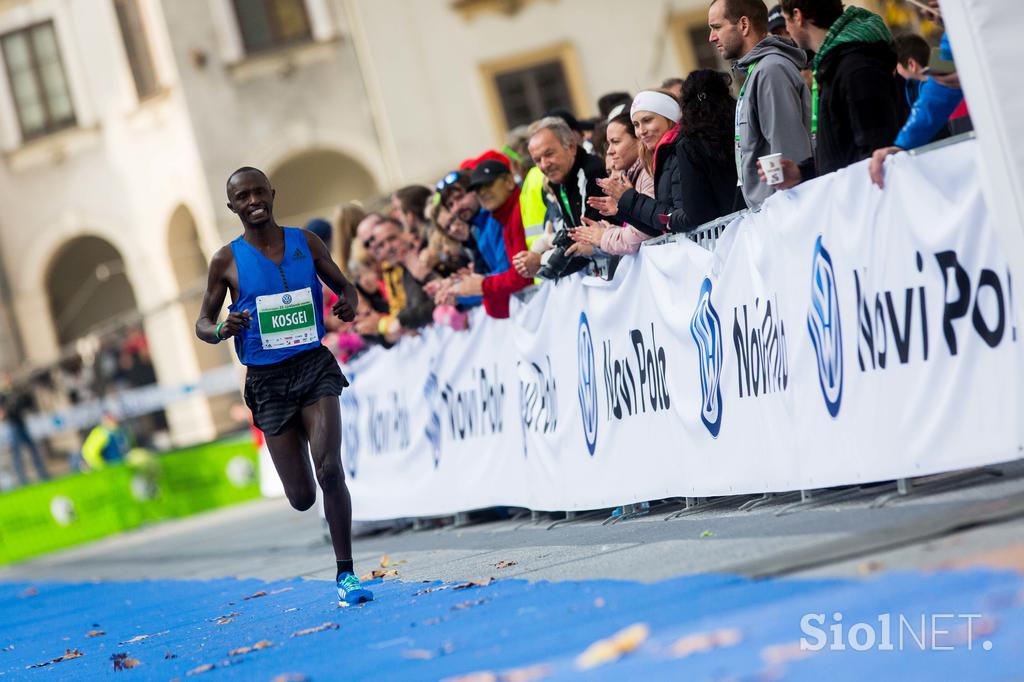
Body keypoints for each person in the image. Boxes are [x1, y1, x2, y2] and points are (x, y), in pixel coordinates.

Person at [195, 166, 372, 605]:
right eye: (243, 196)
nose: (253, 200)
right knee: (300, 497)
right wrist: (221, 328)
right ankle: (292, 436)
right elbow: (201, 322)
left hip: (313, 365)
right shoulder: (226, 259)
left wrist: (347, 302)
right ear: (231, 205)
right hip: (267, 381)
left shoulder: (305, 243)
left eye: (259, 192)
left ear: (272, 194)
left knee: (330, 468)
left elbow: (343, 286)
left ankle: (346, 574)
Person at [770, 1, 904, 187]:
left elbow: (875, 154)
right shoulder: (833, 64)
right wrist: (802, 172)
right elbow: (842, 149)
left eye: (786, 20)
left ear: (798, 16)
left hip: (868, 202)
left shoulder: (855, 68)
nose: (787, 29)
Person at [709, 0, 813, 209]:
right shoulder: (758, 71)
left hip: (786, 209)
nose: (711, 37)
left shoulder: (770, 71)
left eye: (717, 27)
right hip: (771, 213)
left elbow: (789, 156)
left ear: (744, 25)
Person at [515, 116, 607, 280]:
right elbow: (572, 235)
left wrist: (541, 261)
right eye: (537, 160)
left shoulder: (591, 173)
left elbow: (585, 241)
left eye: (549, 154)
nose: (544, 165)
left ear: (571, 147)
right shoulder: (558, 179)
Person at [441, 159, 531, 318]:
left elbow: (517, 274)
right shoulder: (482, 227)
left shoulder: (498, 218)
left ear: (508, 181)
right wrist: (463, 287)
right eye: (450, 204)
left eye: (460, 197)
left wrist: (466, 289)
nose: (457, 207)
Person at [587, 90, 682, 236]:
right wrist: (624, 208)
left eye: (647, 120)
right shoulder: (660, 159)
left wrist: (630, 200)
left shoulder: (679, 153)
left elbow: (680, 220)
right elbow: (661, 227)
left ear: (669, 117)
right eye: (636, 124)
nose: (641, 131)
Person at [568, 109, 655, 256]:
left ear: (638, 139)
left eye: (615, 142)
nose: (610, 150)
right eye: (608, 143)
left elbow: (639, 236)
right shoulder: (634, 175)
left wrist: (602, 236)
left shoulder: (648, 173)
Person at [0, 377, 48, 486]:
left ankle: (42, 474)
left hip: (22, 424)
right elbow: (2, 413)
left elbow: (26, 404)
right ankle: (22, 479)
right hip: (13, 426)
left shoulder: (16, 393)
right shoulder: (3, 396)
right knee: (17, 455)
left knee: (33, 450)